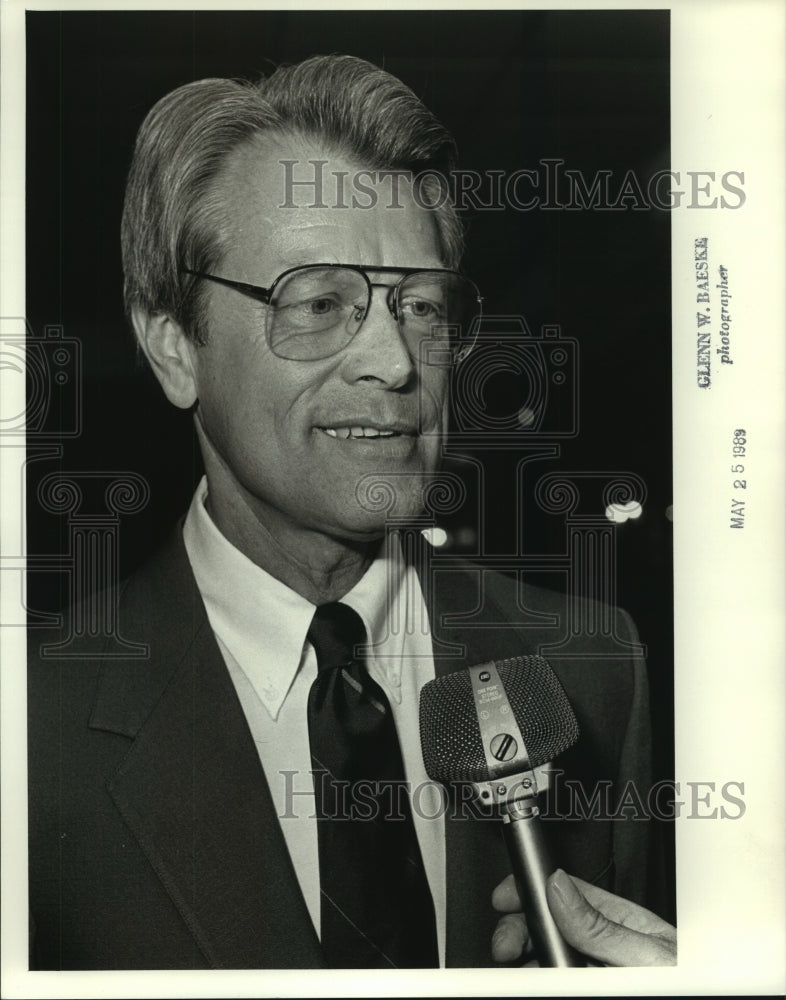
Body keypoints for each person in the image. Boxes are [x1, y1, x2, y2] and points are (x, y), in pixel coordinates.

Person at [27, 53, 675, 970]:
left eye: (421, 304)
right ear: (175, 347)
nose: (397, 363)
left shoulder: (595, 670)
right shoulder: (32, 726)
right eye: (320, 302)